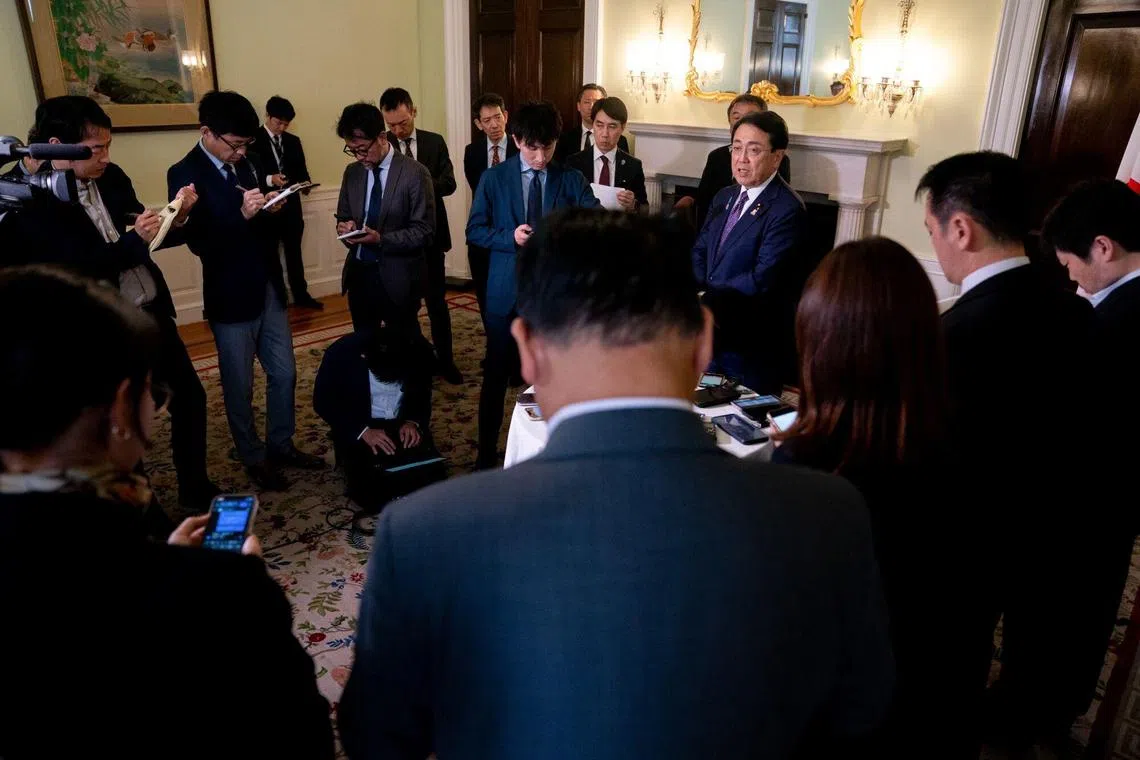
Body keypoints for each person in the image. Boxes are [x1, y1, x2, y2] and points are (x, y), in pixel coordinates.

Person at [339, 209, 894, 759]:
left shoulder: (420, 536)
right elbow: (861, 721)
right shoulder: (830, 515)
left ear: (527, 350)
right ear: (704, 342)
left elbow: (377, 741)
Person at [0, 266, 334, 759]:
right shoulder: (221, 594)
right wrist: (210, 580)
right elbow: (300, 742)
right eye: (153, 394)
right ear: (120, 410)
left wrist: (160, 561)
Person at [917, 151, 1104, 751]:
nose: (938, 247)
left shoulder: (954, 337)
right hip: (1058, 536)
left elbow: (932, 460)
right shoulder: (1077, 311)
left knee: (949, 674)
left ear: (961, 229)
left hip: (967, 546)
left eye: (931, 232)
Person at [768, 237, 981, 757]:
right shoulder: (965, 443)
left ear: (819, 344)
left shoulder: (803, 470)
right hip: (941, 701)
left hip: (843, 717)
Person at [1, 95, 218, 509]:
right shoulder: (25, 198)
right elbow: (72, 270)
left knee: (190, 396)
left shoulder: (113, 177)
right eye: (96, 148)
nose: (105, 157)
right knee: (117, 423)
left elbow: (141, 231)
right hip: (96, 330)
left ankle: (195, 486)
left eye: (108, 146)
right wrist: (132, 243)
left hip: (149, 308)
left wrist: (178, 215)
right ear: (56, 145)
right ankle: (144, 510)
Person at [168, 90, 325, 492]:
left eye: (245, 145)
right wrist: (241, 216)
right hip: (229, 293)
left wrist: (273, 206)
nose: (241, 153)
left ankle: (281, 442)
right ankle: (253, 455)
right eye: (234, 145)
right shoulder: (184, 174)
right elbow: (200, 243)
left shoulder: (250, 164)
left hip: (268, 284)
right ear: (208, 132)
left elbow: (264, 226)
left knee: (285, 372)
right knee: (239, 384)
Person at [1041, 177, 1140, 717]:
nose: (1069, 274)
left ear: (1103, 247)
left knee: (1072, 608)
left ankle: (1045, 707)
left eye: (1069, 261)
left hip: (1090, 499)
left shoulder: (1117, 322)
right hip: (1111, 499)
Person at [465, 100, 600, 469]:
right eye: (532, 147)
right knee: (495, 376)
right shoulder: (494, 178)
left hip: (554, 295)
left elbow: (596, 222)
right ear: (516, 139)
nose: (540, 157)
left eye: (548, 147)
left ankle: (556, 450)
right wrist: (509, 236)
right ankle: (485, 453)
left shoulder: (570, 178)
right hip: (505, 293)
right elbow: (474, 230)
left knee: (554, 375)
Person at [691, 110, 808, 394]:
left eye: (753, 150)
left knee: (748, 428)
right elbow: (701, 250)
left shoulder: (786, 209)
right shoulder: (725, 196)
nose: (741, 159)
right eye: (737, 148)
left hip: (752, 343)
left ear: (777, 156)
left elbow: (761, 277)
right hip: (711, 336)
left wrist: (707, 298)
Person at [380, 87, 462, 384]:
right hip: (397, 243)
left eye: (402, 123)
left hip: (431, 239)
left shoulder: (433, 142)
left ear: (413, 111)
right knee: (402, 307)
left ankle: (446, 361)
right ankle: (413, 360)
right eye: (391, 125)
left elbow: (450, 183)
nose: (397, 130)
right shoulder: (383, 145)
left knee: (437, 304)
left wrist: (419, 186)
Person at [313, 327, 443, 514]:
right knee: (372, 494)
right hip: (360, 423)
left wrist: (412, 421)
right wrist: (362, 431)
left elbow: (422, 394)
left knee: (433, 480)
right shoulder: (341, 354)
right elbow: (322, 402)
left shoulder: (417, 352)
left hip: (401, 420)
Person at [334, 102, 435, 339]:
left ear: (381, 137)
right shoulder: (353, 173)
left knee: (403, 346)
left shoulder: (415, 173)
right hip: (359, 274)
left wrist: (381, 239)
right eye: (352, 150)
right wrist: (345, 227)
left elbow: (425, 231)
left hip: (397, 276)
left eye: (362, 149)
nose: (359, 157)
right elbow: (344, 215)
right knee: (365, 344)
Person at [251, 95, 322, 310]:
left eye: (286, 124)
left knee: (294, 254)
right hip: (267, 209)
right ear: (268, 116)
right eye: (278, 122)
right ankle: (278, 298)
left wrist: (306, 183)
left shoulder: (293, 141)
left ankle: (301, 295)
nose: (282, 127)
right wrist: (269, 179)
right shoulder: (252, 139)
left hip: (292, 208)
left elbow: (301, 171)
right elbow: (249, 175)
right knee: (271, 256)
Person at [687, 94, 792, 229]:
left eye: (754, 150)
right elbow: (703, 205)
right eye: (737, 118)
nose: (742, 159)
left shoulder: (786, 206)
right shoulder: (717, 158)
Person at [462, 92, 518, 320]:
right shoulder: (472, 152)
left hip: (514, 230)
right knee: (485, 297)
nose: (494, 124)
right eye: (487, 120)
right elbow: (479, 192)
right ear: (478, 124)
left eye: (498, 117)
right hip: (484, 233)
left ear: (505, 115)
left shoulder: (520, 146)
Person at [564, 96, 647, 211]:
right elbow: (565, 204)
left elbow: (645, 209)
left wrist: (633, 204)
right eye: (599, 125)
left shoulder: (633, 165)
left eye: (612, 127)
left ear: (622, 127)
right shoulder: (574, 162)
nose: (605, 133)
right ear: (593, 125)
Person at [553, 83, 630, 164]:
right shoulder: (565, 138)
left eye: (597, 102)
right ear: (578, 106)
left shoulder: (620, 140)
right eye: (587, 102)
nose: (592, 107)